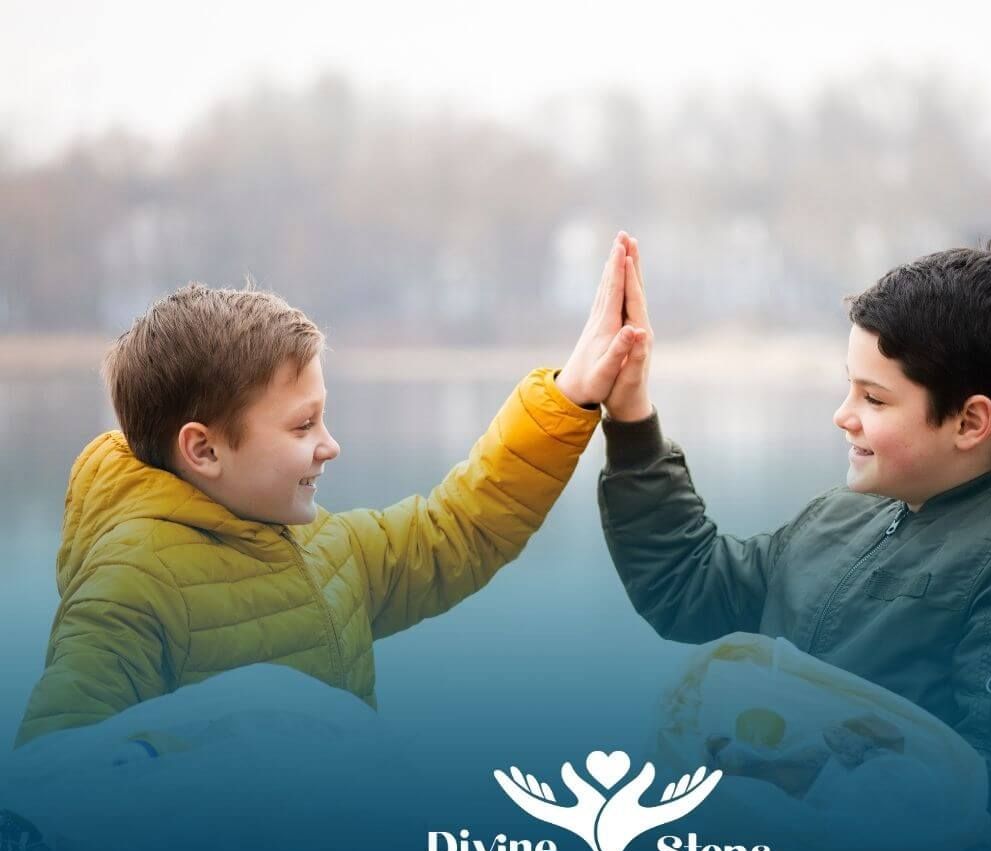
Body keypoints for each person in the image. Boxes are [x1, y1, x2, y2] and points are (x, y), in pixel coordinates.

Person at [16, 234, 649, 752]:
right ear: (204, 450)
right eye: (303, 425)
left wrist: (570, 394)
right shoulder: (129, 586)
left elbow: (459, 530)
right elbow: (53, 778)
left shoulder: (326, 548)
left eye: (323, 417)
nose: (330, 445)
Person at [597, 242, 991, 847]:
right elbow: (688, 586)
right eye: (851, 388)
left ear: (971, 422)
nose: (844, 415)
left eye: (874, 398)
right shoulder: (840, 515)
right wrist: (630, 415)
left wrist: (795, 770)